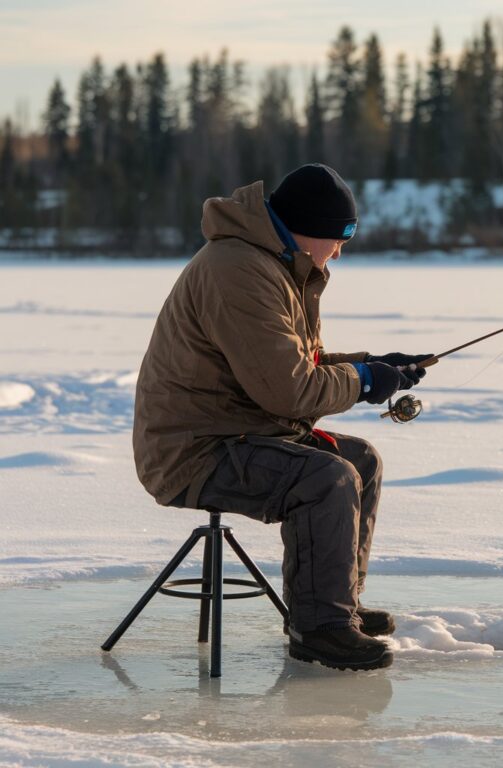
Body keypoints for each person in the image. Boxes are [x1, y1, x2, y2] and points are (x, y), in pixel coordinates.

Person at [132, 163, 431, 671]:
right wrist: (362, 382)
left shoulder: (273, 262)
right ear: (306, 229)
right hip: (193, 451)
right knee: (325, 477)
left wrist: (374, 367)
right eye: (337, 240)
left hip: (242, 429)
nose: (339, 252)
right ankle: (319, 632)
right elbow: (288, 390)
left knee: (360, 459)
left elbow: (296, 366)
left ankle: (338, 608)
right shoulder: (239, 271)